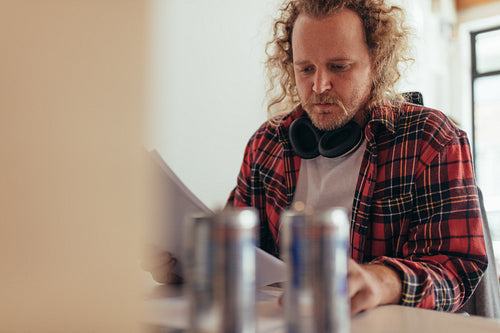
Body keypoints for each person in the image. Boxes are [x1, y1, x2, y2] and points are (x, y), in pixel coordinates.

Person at [143, 0, 488, 316]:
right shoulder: (267, 145)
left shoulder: (432, 138)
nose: (320, 85)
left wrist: (381, 281)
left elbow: (457, 269)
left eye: (339, 66)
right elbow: (239, 259)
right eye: (305, 69)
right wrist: (189, 266)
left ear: (376, 62)